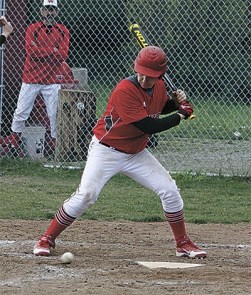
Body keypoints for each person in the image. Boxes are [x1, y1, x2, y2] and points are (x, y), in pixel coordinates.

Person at [33, 46, 207, 259]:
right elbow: (148, 126)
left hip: (136, 153)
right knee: (87, 195)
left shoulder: (160, 86)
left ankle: (183, 243)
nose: (144, 79)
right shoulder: (124, 89)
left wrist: (176, 104)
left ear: (160, 75)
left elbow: (156, 108)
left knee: (169, 190)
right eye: (141, 73)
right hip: (107, 151)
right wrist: (180, 115)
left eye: (150, 76)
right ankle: (47, 238)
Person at [0, 0, 70, 154]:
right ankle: (14, 141)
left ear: (57, 12)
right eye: (47, 9)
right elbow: (31, 51)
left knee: (54, 114)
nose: (49, 13)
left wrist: (43, 52)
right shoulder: (32, 28)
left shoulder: (63, 30)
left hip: (52, 80)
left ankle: (54, 147)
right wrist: (53, 50)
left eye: (52, 10)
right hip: (31, 77)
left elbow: (63, 55)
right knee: (21, 111)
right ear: (41, 11)